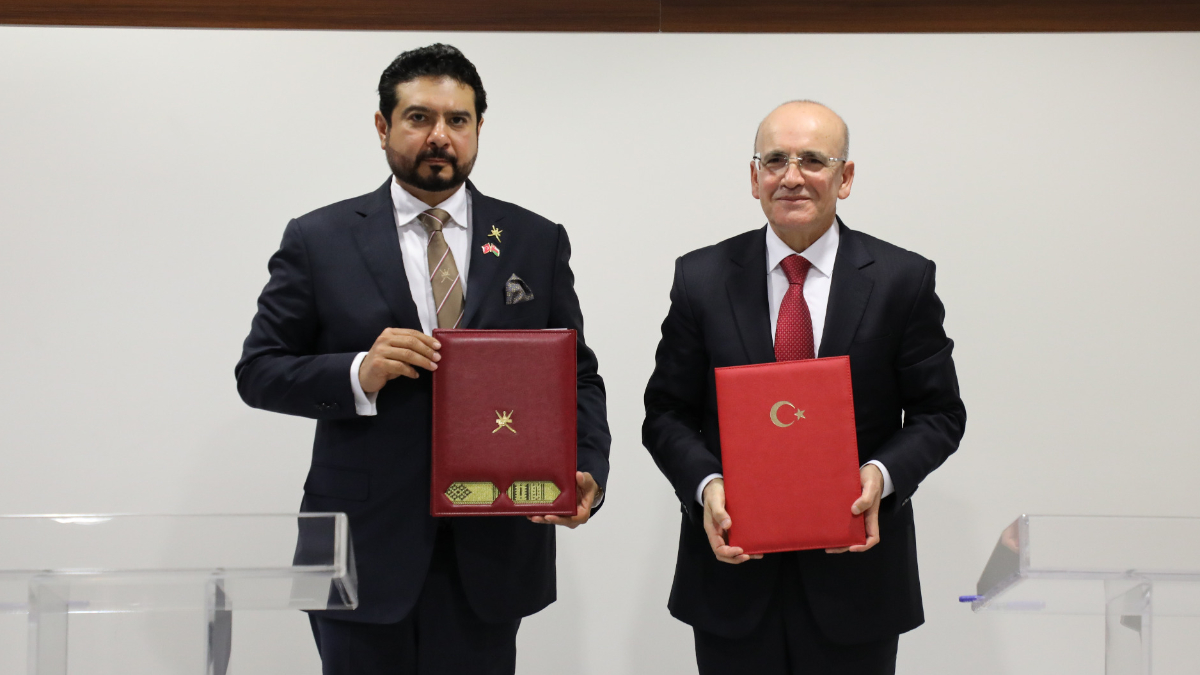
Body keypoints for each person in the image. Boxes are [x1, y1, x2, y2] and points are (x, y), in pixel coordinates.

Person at [235, 43, 610, 675]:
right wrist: (358, 373)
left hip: (491, 549)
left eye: (457, 120)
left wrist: (588, 469)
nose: (440, 136)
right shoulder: (318, 238)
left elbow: (576, 375)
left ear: (479, 128)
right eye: (418, 118)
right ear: (382, 126)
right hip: (361, 549)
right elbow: (258, 371)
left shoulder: (534, 239)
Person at [642, 100, 966, 674]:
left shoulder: (903, 279)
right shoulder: (701, 278)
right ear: (754, 178)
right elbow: (666, 412)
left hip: (857, 585)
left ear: (846, 178)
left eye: (813, 160)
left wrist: (882, 476)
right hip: (731, 580)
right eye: (775, 161)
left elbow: (939, 414)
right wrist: (706, 485)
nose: (791, 177)